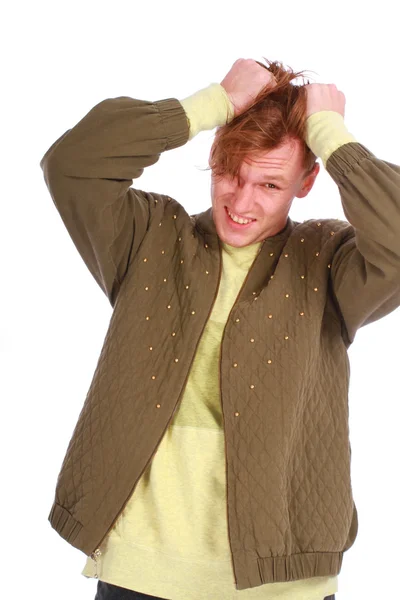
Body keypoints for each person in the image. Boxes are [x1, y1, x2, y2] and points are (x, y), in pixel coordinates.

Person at [40, 58, 400, 600]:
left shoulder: (329, 260)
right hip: (142, 569)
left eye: (270, 183)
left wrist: (331, 135)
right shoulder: (152, 238)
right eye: (231, 171)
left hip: (283, 580)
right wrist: (210, 104)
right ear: (213, 159)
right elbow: (72, 163)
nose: (242, 200)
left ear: (306, 181)